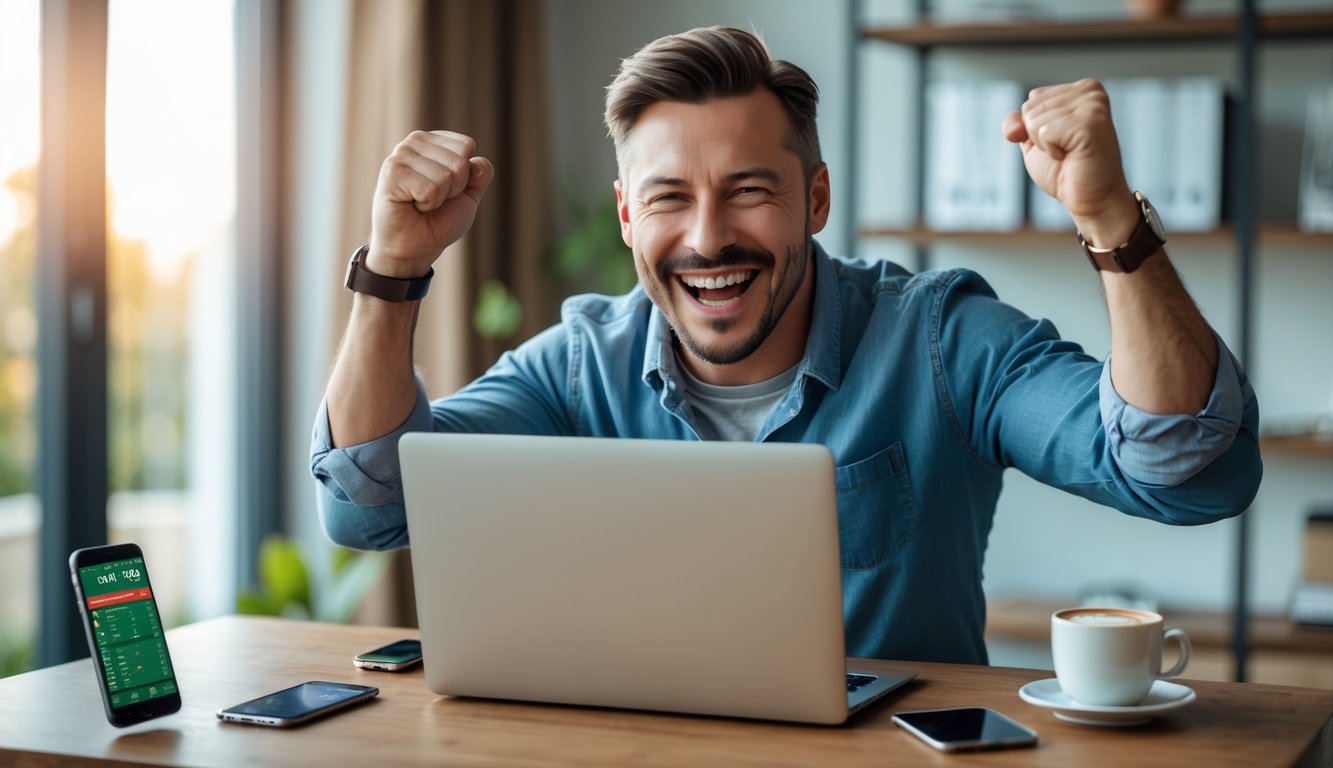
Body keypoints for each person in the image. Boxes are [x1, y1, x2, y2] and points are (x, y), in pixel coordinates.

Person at [311, 26, 1261, 664]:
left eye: (749, 191)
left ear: (815, 199)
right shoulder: (578, 363)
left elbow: (1187, 471)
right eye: (668, 198)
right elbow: (369, 506)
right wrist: (394, 267)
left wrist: (1108, 219)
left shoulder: (940, 337)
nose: (707, 238)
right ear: (628, 218)